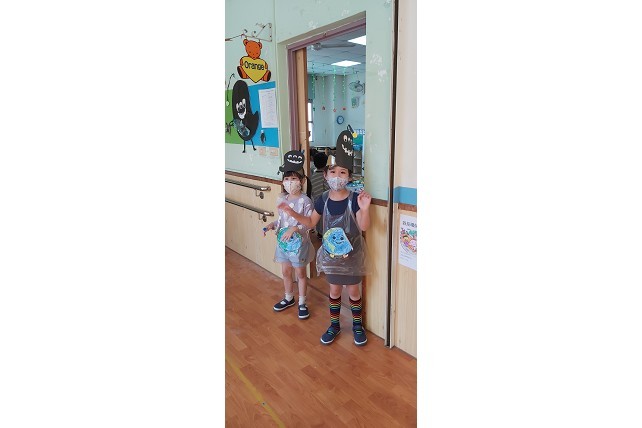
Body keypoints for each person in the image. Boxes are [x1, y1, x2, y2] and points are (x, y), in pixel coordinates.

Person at [279, 127, 371, 346]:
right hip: (331, 256)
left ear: (349, 177)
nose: (337, 176)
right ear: (326, 175)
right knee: (334, 290)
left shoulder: (355, 199)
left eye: (342, 172)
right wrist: (292, 213)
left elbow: (363, 226)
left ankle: (357, 326)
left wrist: (365, 209)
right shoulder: (322, 200)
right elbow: (311, 223)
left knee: (354, 292)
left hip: (352, 256)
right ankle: (334, 325)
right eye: (333, 172)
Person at [263, 150, 315, 320]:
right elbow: (282, 220)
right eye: (287, 178)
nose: (290, 182)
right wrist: (272, 225)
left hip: (299, 245)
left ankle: (302, 302)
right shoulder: (282, 199)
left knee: (300, 273)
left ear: (302, 180)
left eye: (293, 178)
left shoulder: (306, 201)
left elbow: (309, 223)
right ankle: (288, 297)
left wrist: (295, 229)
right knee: (286, 272)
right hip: (283, 243)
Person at [310, 152, 329, 237]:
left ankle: (320, 233)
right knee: (325, 218)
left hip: (316, 201)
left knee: (318, 218)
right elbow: (328, 188)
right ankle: (324, 233)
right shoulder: (326, 176)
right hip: (326, 201)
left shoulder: (313, 176)